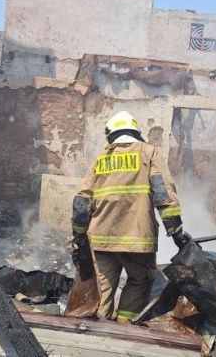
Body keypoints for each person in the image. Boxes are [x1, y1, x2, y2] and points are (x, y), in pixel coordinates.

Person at [70, 111, 191, 323]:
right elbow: (163, 194)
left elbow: (82, 202)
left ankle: (98, 337)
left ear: (111, 136)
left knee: (102, 291)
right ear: (135, 133)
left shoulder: (101, 159)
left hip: (101, 240)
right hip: (137, 239)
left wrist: (78, 237)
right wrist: (176, 231)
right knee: (140, 281)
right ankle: (124, 325)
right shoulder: (148, 153)